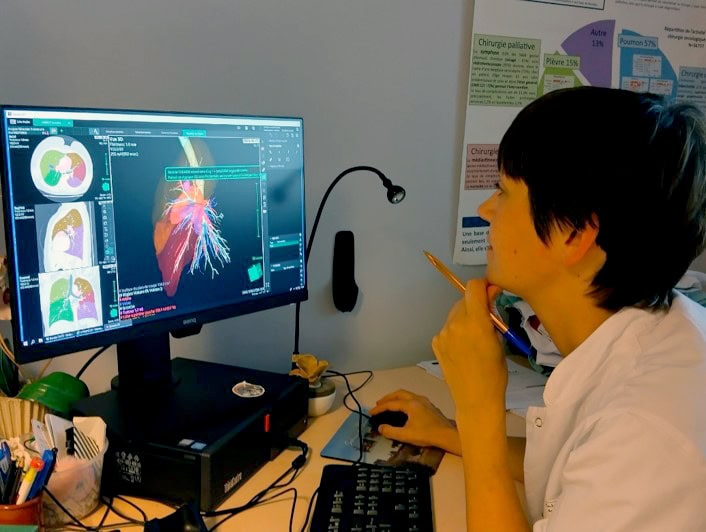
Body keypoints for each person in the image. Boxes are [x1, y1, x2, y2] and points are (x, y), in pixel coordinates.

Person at [370, 86, 706, 531]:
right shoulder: (661, 326)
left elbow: (615, 456)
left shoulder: (646, 433)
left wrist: (479, 408)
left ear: (574, 234)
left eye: (503, 191)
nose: (485, 209)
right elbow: (573, 466)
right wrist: (448, 431)